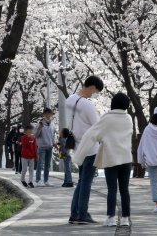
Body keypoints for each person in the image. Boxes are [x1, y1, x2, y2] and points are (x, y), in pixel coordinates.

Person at [74, 92, 133, 228]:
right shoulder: (128, 118)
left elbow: (91, 135)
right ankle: (125, 218)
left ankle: (111, 218)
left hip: (111, 158)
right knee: (124, 190)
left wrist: (79, 157)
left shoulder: (107, 119)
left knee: (112, 189)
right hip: (126, 158)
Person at [65, 75, 104, 225]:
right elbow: (98, 125)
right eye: (95, 92)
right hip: (90, 147)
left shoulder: (69, 100)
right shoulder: (87, 105)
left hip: (77, 146)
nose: (93, 95)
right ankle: (83, 213)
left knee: (81, 181)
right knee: (86, 182)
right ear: (92, 87)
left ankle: (74, 214)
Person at [35, 107, 56, 186]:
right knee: (40, 163)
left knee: (47, 165)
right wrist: (39, 129)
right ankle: (38, 180)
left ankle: (46, 180)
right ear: (44, 114)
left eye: (50, 114)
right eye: (47, 114)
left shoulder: (52, 124)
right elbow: (35, 135)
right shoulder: (40, 123)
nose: (48, 115)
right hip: (42, 147)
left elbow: (53, 134)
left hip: (50, 147)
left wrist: (54, 143)